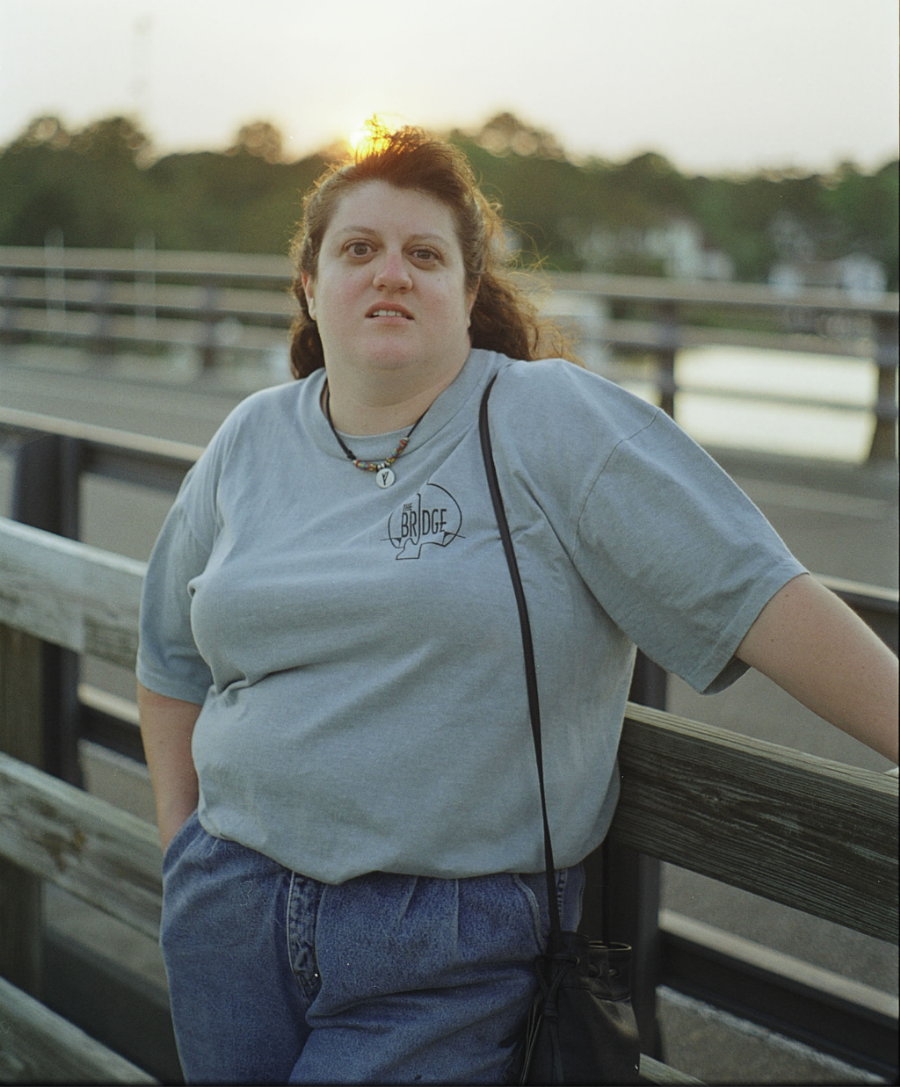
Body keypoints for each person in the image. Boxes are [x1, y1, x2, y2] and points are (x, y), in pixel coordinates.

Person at [136, 124, 898, 1086]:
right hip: (228, 913)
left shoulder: (549, 420)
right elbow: (169, 664)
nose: (391, 274)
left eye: (425, 254)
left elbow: (760, 595)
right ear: (309, 284)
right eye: (358, 250)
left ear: (467, 288)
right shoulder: (249, 438)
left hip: (444, 943)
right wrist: (183, 852)